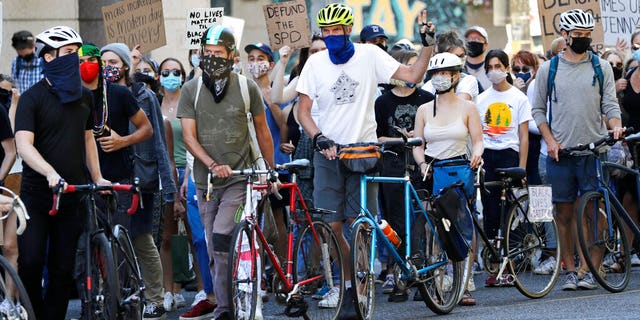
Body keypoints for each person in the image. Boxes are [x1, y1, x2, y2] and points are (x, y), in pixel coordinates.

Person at [296, 3, 436, 317]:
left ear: (348, 30)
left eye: (336, 30)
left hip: (364, 153)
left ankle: (359, 288)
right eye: (326, 31)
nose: (331, 36)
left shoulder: (369, 55)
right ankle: (350, 282)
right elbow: (302, 110)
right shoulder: (315, 63)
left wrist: (427, 45)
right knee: (329, 227)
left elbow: (412, 76)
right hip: (329, 153)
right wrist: (318, 136)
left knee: (358, 224)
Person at [178, 25, 275, 320]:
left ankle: (232, 304)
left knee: (222, 234)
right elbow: (189, 137)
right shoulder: (191, 90)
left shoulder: (247, 87)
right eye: (206, 53)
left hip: (239, 178)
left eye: (218, 53)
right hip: (206, 181)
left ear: (231, 55)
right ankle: (225, 305)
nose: (211, 58)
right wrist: (210, 164)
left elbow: (262, 131)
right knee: (212, 245)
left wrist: (269, 172)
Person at [14, 25, 109, 320]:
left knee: (62, 268)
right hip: (37, 195)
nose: (75, 59)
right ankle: (34, 313)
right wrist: (49, 172)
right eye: (68, 53)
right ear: (50, 57)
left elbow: (87, 139)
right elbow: (23, 145)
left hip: (73, 195)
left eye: (76, 53)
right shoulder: (32, 98)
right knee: (30, 262)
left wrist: (97, 177)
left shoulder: (84, 96)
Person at [531, 9, 624, 291]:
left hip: (593, 151)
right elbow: (537, 110)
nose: (583, 39)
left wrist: (616, 125)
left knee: (594, 212)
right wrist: (550, 140)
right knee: (564, 213)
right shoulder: (549, 69)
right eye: (578, 36)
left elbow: (609, 104)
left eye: (587, 35)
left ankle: (590, 269)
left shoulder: (601, 66)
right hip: (561, 154)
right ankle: (570, 269)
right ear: (565, 36)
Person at [101, 42, 175, 319]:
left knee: (142, 239)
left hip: (140, 177)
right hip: (109, 176)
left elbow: (157, 140)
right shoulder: (97, 96)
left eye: (113, 61)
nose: (108, 67)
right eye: (103, 61)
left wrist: (165, 185)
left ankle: (154, 297)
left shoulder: (145, 96)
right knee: (113, 240)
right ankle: (121, 296)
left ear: (124, 65)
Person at [412, 52, 484, 306]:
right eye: (435, 74)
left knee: (463, 226)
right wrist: (421, 163)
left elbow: (477, 140)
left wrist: (477, 155)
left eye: (444, 73)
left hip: (459, 170)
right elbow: (417, 143)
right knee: (436, 227)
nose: (439, 78)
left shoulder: (468, 107)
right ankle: (440, 279)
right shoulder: (423, 109)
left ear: (455, 76)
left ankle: (464, 282)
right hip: (433, 171)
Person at [374, 48, 434, 302]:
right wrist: (400, 138)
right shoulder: (383, 101)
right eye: (410, 65)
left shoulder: (427, 98)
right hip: (392, 165)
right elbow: (376, 136)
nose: (414, 71)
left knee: (421, 219)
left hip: (420, 163)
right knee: (395, 222)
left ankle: (423, 277)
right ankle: (399, 273)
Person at [475, 49, 531, 286]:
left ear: (507, 68)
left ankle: (511, 265)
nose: (494, 71)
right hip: (488, 155)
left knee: (510, 211)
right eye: (490, 67)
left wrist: (522, 168)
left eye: (498, 66)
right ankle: (495, 263)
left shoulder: (519, 98)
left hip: (509, 155)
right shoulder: (481, 99)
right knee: (490, 210)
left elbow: (524, 136)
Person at [422, 30, 479, 101]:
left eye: (462, 56)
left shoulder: (468, 80)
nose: (459, 60)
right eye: (455, 57)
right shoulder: (429, 85)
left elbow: (459, 107)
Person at [463, 26, 491, 92]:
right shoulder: (460, 67)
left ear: (486, 44)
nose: (473, 41)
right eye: (469, 39)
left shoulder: (491, 68)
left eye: (477, 39)